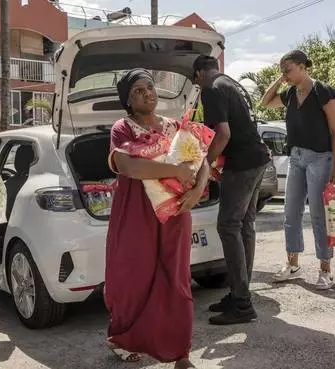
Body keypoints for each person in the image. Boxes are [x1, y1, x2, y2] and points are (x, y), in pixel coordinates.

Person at [104, 68, 209, 369]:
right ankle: (122, 337)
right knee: (133, 275)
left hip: (175, 210)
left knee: (176, 277)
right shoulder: (121, 128)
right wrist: (175, 171)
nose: (147, 93)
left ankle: (181, 353)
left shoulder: (175, 126)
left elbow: (200, 159)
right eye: (137, 90)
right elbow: (129, 167)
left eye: (149, 87)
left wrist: (198, 189)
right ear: (127, 99)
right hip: (135, 211)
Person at [193, 55, 271, 325]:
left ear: (200, 73)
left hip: (243, 164)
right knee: (244, 225)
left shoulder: (210, 89)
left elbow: (223, 135)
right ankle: (239, 293)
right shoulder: (232, 84)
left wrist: (204, 164)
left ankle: (241, 304)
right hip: (258, 159)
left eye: (195, 80)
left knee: (228, 226)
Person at [260, 49, 335, 290]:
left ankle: (325, 270)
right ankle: (292, 263)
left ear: (302, 66)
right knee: (290, 212)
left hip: (320, 158)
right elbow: (265, 101)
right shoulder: (289, 95)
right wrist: (280, 79)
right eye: (282, 71)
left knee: (318, 215)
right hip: (296, 158)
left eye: (288, 70)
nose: (285, 75)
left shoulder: (323, 92)